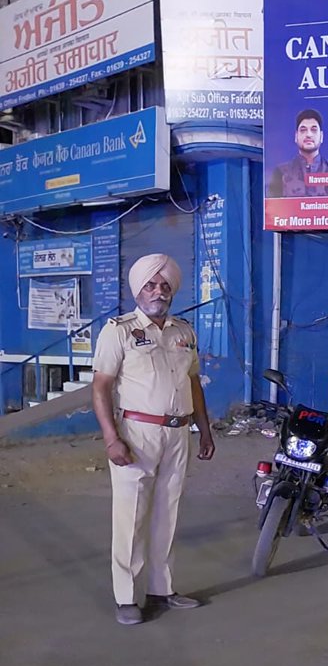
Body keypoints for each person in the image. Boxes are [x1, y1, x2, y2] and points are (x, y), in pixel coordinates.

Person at [91, 254, 215, 626]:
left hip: (179, 432)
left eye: (164, 286)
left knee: (168, 512)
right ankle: (127, 597)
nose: (158, 292)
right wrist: (112, 439)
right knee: (131, 516)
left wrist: (204, 428)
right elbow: (100, 387)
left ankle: (163, 589)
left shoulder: (183, 332)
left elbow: (193, 382)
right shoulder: (119, 330)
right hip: (137, 433)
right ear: (138, 290)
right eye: (150, 285)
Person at [267, 109, 328, 197]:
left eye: (313, 130)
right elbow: (273, 208)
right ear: (296, 136)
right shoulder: (281, 172)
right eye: (303, 130)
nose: (308, 134)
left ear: (321, 136)